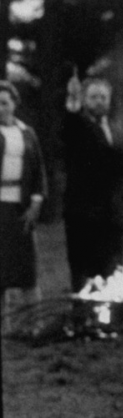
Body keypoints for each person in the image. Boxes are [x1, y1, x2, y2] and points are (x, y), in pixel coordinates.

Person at [62, 73, 123, 292]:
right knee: (85, 277)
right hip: (84, 216)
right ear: (84, 100)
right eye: (93, 97)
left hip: (113, 215)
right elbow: (70, 126)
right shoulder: (77, 127)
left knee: (112, 273)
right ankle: (82, 320)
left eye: (103, 97)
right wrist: (72, 105)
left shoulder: (118, 130)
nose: (100, 101)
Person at [0, 80, 47, 322]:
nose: (0, 108)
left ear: (14, 104)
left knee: (28, 269)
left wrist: (36, 202)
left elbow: (38, 170)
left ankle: (35, 322)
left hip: (22, 207)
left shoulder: (27, 133)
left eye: (4, 103)